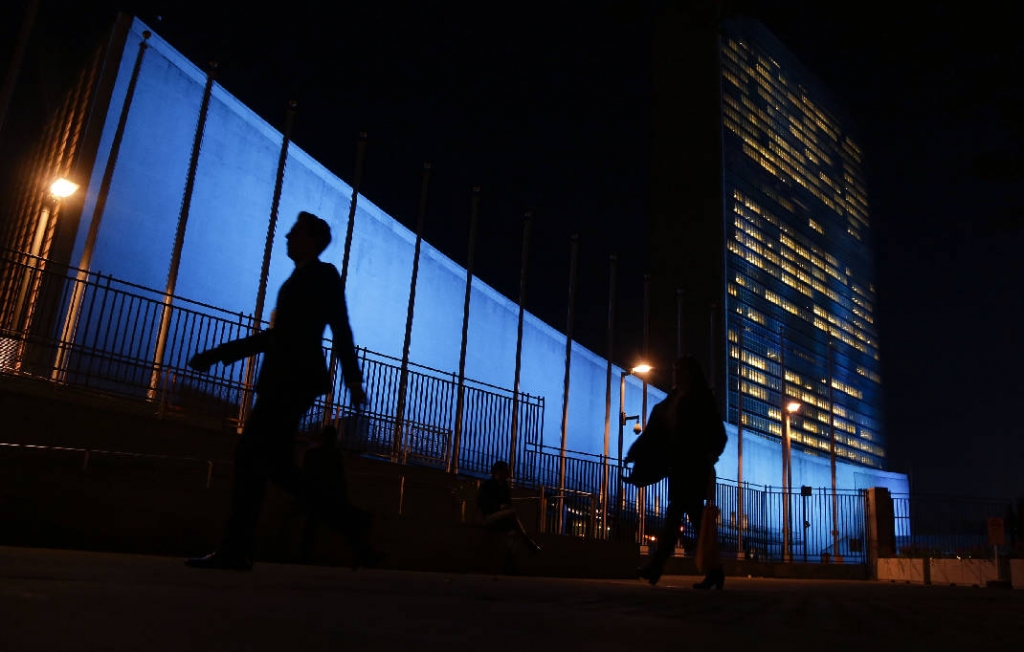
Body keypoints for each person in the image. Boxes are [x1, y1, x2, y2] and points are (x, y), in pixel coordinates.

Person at [185, 211, 381, 571]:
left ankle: (236, 549)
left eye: (294, 233)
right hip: (287, 380)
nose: (286, 237)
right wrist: (218, 354)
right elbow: (278, 335)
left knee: (251, 457)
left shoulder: (322, 275)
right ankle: (347, 519)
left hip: (294, 380)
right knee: (269, 465)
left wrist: (353, 379)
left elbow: (340, 326)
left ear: (311, 240)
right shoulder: (299, 278)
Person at [630, 355, 727, 589]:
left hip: (693, 469)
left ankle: (657, 567)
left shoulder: (700, 399)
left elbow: (719, 434)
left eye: (680, 370)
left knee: (674, 517)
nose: (676, 374)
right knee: (692, 519)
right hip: (679, 468)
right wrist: (637, 451)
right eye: (675, 369)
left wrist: (710, 454)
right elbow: (657, 430)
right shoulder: (673, 398)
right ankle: (714, 572)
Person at [477, 460, 540, 574]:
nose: (508, 473)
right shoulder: (488, 485)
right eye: (505, 470)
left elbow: (508, 504)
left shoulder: (505, 487)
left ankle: (509, 563)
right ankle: (528, 542)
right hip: (490, 517)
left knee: (513, 533)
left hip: (503, 518)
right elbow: (483, 504)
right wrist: (499, 507)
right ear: (498, 471)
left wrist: (504, 507)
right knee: (512, 513)